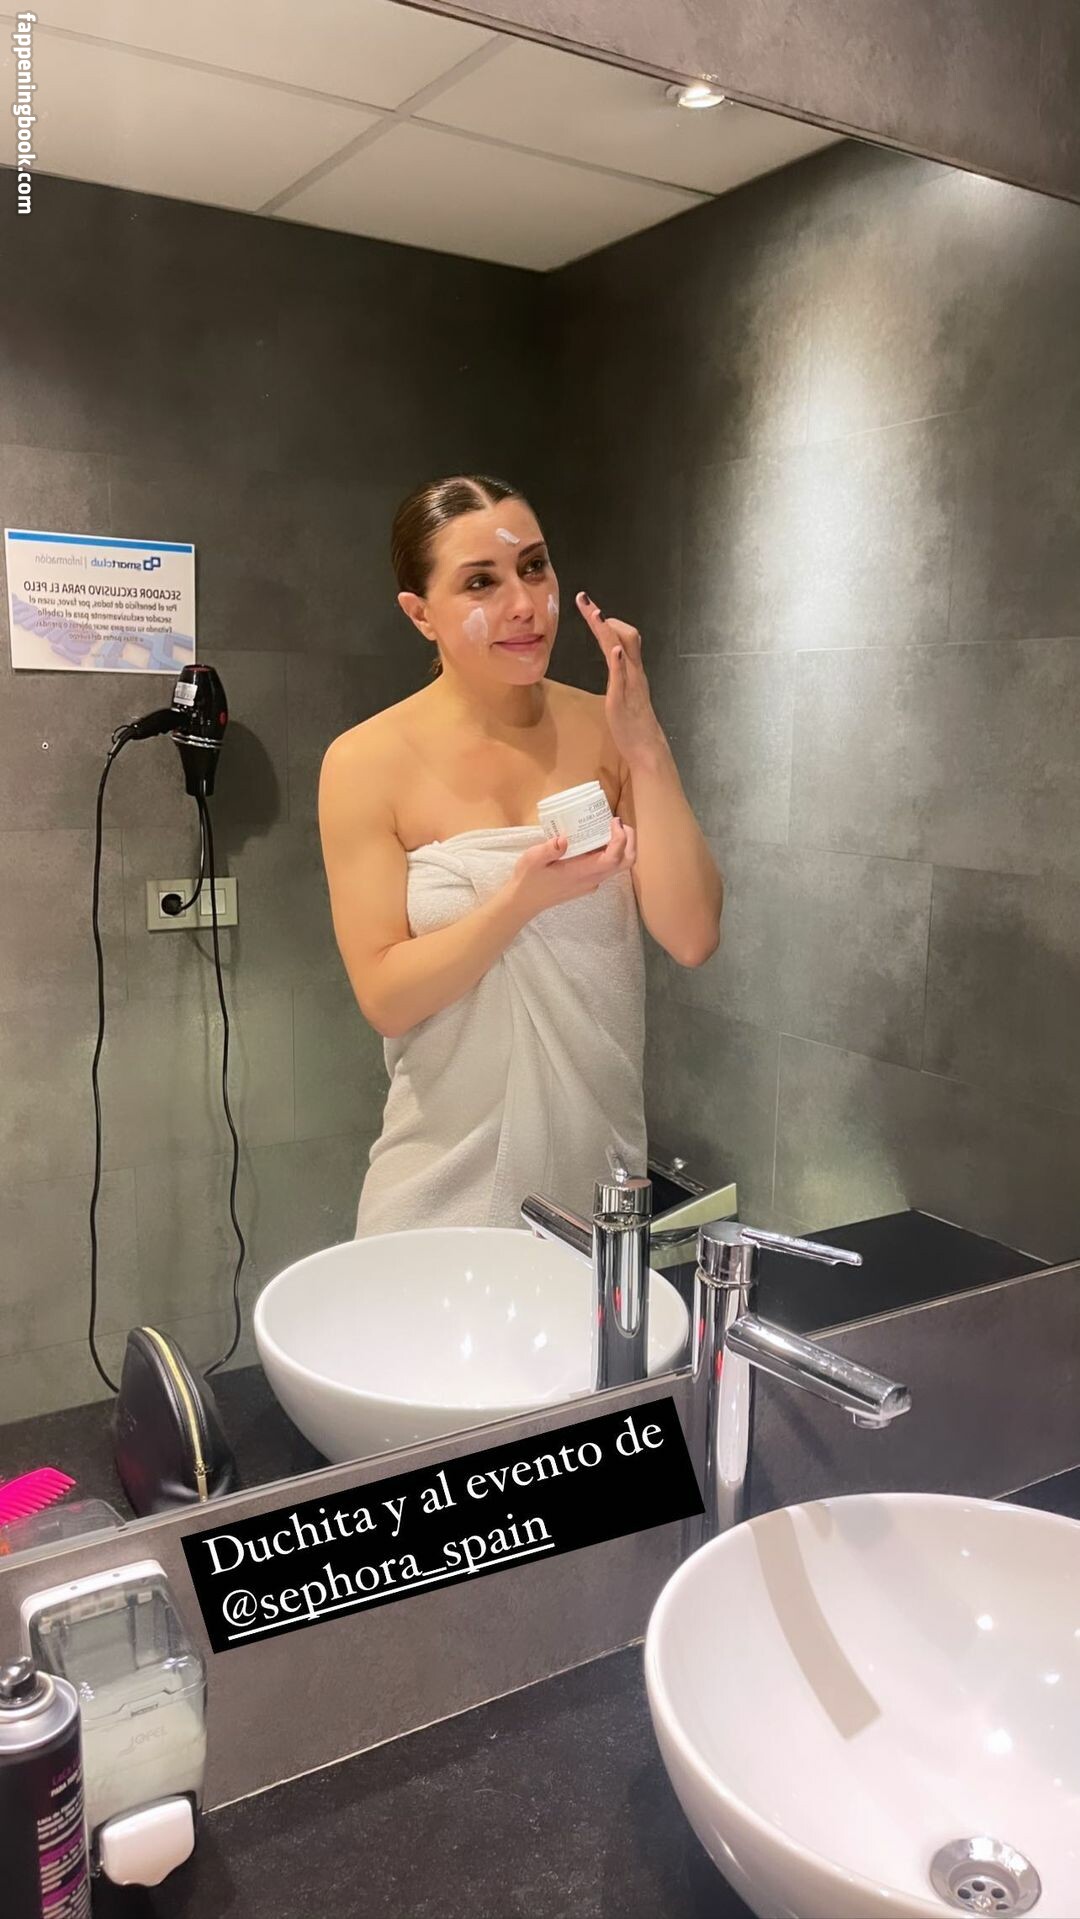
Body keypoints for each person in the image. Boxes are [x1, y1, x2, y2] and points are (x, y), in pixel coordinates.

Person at [318, 474, 724, 1236]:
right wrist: (519, 901)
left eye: (534, 567)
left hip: (595, 1194)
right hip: (438, 1193)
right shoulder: (365, 762)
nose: (525, 604)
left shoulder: (607, 727)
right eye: (481, 582)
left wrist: (645, 743)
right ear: (420, 613)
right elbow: (386, 995)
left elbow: (693, 933)